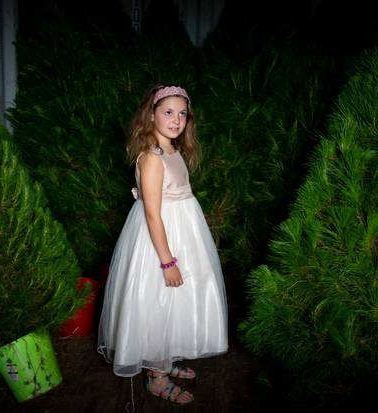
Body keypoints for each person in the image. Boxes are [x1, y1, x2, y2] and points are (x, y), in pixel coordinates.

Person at [97, 84, 229, 405]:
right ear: (151, 114)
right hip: (161, 240)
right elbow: (153, 215)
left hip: (184, 234)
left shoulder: (173, 151)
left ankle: (166, 359)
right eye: (168, 112)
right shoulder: (152, 158)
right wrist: (167, 261)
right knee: (158, 301)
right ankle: (156, 377)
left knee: (180, 301)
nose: (176, 120)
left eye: (182, 114)